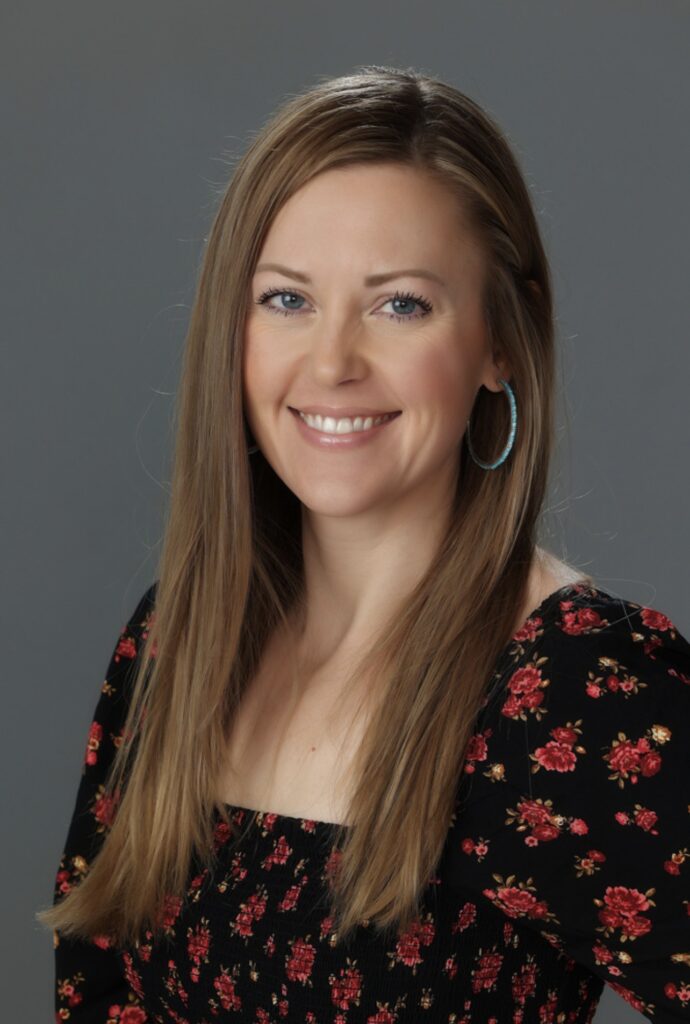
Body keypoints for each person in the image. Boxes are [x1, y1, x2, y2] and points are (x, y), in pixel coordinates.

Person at [37, 65, 690, 1023]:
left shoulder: (573, 688)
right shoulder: (177, 643)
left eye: (401, 305)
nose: (333, 362)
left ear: (502, 343)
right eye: (287, 300)